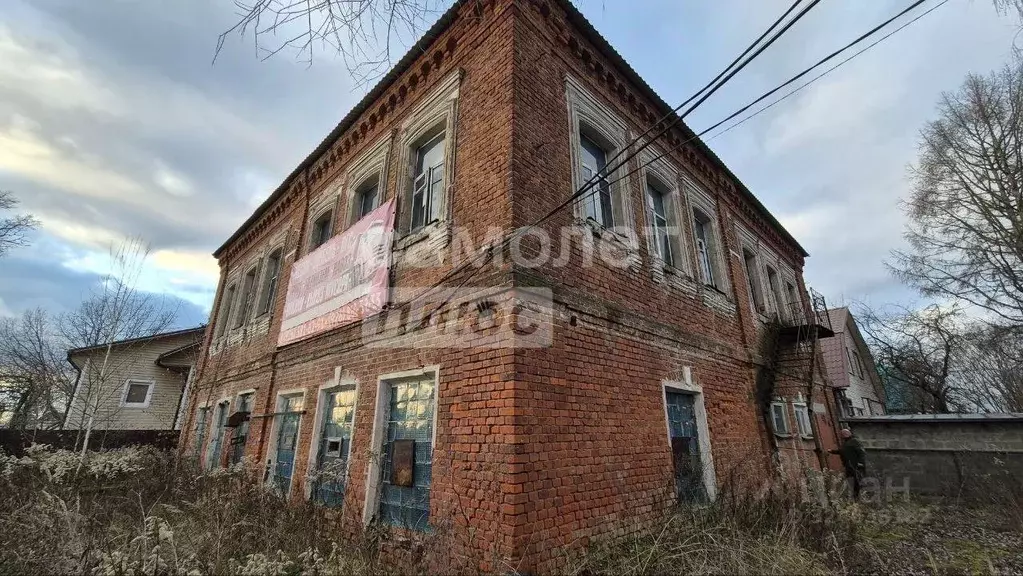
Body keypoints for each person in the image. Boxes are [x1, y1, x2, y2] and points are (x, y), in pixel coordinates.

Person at [829, 428, 866, 500]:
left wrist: (860, 462)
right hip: (848, 465)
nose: (842, 436)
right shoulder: (846, 443)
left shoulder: (855, 441)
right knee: (851, 480)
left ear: (848, 434)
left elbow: (862, 452)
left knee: (857, 480)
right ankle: (854, 496)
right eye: (842, 434)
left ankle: (859, 496)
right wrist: (832, 451)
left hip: (856, 465)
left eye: (843, 434)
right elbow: (842, 451)